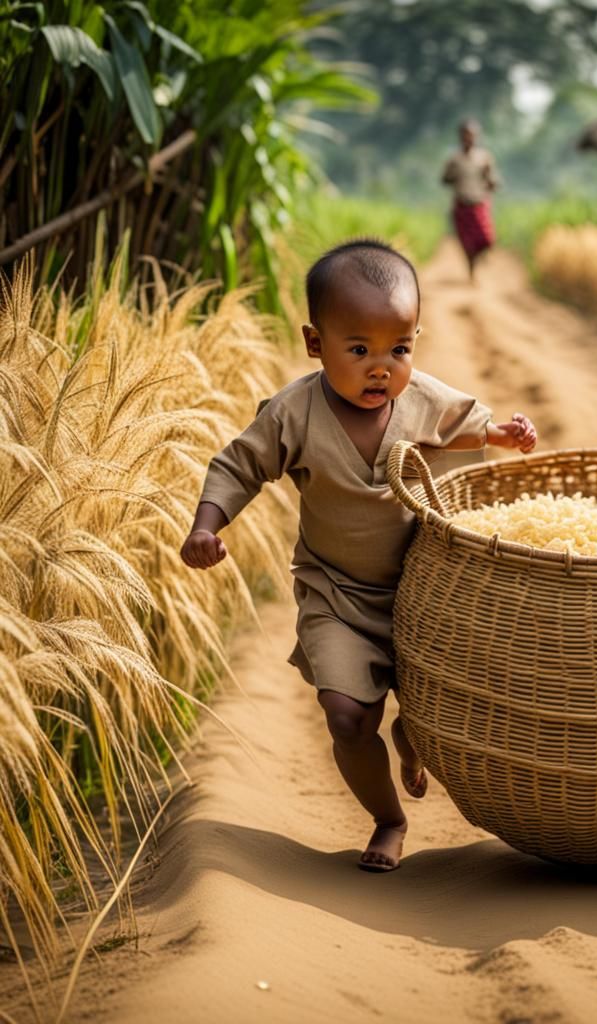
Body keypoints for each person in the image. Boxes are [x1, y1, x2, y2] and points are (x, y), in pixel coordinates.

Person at [180, 238, 537, 872]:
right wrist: (207, 525)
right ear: (315, 344)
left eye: (399, 349)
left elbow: (465, 420)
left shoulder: (419, 397)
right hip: (336, 595)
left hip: (424, 594)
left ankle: (414, 734)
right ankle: (388, 819)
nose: (382, 368)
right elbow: (239, 464)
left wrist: (503, 434)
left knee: (447, 704)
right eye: (359, 349)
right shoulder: (295, 413)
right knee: (347, 715)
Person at [441, 118, 500, 281]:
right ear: (460, 137)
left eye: (472, 135)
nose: (469, 138)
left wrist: (489, 178)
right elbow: (445, 180)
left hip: (479, 203)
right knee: (467, 244)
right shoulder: (454, 159)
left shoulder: (484, 157)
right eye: (465, 135)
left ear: (477, 136)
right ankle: (471, 270)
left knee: (487, 239)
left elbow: (493, 182)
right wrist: (453, 175)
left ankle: (478, 259)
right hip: (462, 204)